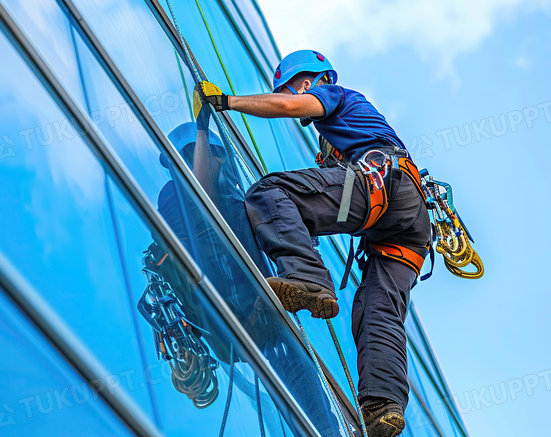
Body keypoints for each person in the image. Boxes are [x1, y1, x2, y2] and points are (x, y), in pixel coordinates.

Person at [195, 50, 431, 437]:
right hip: (407, 225)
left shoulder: (335, 95)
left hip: (382, 185)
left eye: (290, 86)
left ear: (307, 81)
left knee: (270, 193)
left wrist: (226, 103)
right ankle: (384, 406)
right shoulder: (345, 133)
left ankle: (306, 276)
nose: (292, 94)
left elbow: (289, 106)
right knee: (377, 310)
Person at [151, 104, 342, 435]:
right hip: (237, 323)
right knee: (301, 392)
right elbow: (203, 202)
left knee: (310, 402)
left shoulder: (238, 199)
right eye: (215, 156)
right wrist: (203, 128)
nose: (223, 163)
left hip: (261, 319)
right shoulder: (175, 196)